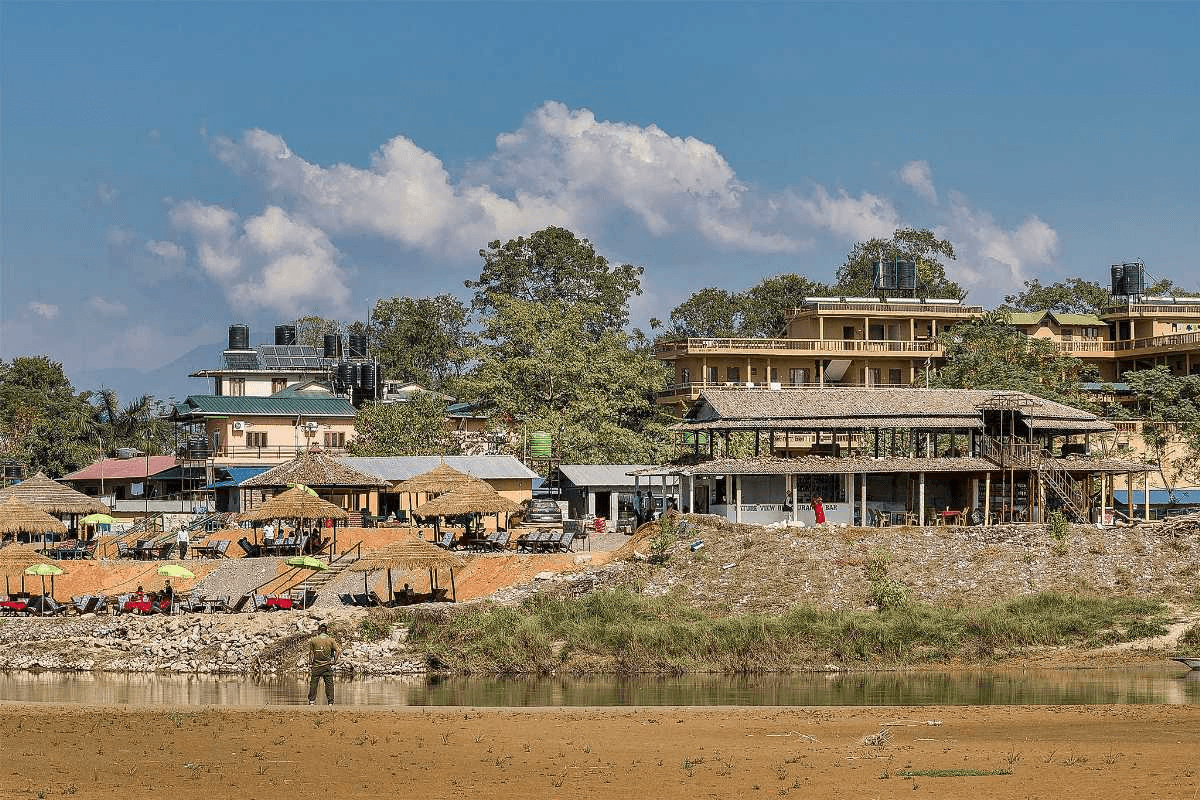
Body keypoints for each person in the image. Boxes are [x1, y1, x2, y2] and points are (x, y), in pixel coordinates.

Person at [307, 623, 341, 705]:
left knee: (314, 684)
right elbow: (338, 651)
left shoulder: (313, 640)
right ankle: (330, 702)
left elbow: (311, 653)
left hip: (316, 666)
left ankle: (312, 701)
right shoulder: (331, 640)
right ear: (326, 631)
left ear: (319, 631)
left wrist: (310, 662)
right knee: (329, 684)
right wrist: (334, 661)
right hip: (327, 665)